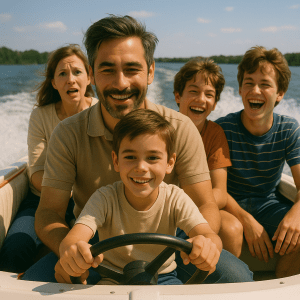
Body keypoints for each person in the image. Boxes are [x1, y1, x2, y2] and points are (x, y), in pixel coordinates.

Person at [22, 15, 253, 284]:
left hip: (172, 240)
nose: (120, 83)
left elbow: (205, 205)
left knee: (237, 278)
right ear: (93, 74)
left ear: (151, 71)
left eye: (132, 69)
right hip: (93, 241)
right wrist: (70, 249)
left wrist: (203, 239)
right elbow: (49, 212)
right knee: (32, 285)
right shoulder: (68, 133)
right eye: (107, 70)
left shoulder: (181, 128)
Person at [59, 109, 222, 285]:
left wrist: (207, 246)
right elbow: (73, 239)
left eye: (152, 157)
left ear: (170, 163)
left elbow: (208, 234)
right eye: (130, 157)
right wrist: (73, 251)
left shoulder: (176, 198)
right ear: (116, 161)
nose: (141, 167)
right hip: (111, 279)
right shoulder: (104, 199)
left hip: (163, 278)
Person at [0, 44, 98, 273]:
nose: (70, 79)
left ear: (89, 77)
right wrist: (61, 191)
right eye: (62, 74)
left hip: (92, 203)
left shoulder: (102, 111)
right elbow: (35, 172)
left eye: (77, 72)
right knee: (15, 248)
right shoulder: (41, 116)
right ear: (54, 83)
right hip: (40, 201)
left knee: (90, 256)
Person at [215, 46, 300, 278]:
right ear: (240, 88)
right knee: (229, 229)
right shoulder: (223, 129)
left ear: (280, 93)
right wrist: (247, 221)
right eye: (249, 82)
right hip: (229, 206)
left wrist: (297, 212)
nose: (255, 90)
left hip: (268, 203)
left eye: (265, 84)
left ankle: (280, 287)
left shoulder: (288, 129)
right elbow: (218, 191)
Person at [173, 58, 243, 257]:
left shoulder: (215, 134)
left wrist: (197, 206)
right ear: (178, 96)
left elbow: (220, 192)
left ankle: (218, 281)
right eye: (193, 91)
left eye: (209, 94)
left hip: (200, 206)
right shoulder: (159, 128)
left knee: (233, 228)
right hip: (164, 206)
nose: (201, 99)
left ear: (214, 104)